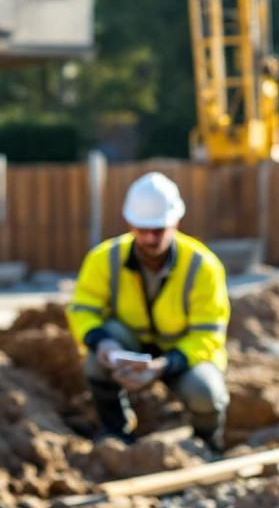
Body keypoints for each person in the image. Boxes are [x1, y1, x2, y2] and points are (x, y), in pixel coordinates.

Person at [67, 172, 231, 451]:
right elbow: (82, 310)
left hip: (182, 354)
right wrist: (103, 343)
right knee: (95, 360)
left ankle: (208, 445)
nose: (150, 238)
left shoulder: (203, 266)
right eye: (143, 230)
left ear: (176, 222)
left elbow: (208, 335)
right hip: (129, 346)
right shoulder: (104, 259)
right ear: (130, 223)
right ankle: (116, 431)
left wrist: (163, 365)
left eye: (159, 229)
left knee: (207, 393)